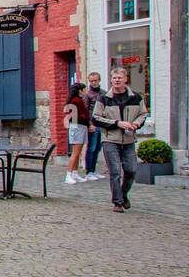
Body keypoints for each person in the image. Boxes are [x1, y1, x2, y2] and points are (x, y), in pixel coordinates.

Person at [91, 67, 149, 213]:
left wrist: (136, 124)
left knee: (131, 171)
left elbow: (143, 114)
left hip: (129, 140)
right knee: (115, 171)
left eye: (119, 78)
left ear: (125, 79)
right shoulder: (104, 98)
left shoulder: (135, 97)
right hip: (110, 140)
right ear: (111, 80)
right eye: (114, 78)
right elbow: (96, 118)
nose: (117, 80)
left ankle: (123, 194)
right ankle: (117, 202)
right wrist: (117, 123)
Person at [63, 83, 91, 184]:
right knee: (75, 153)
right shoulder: (75, 101)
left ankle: (75, 173)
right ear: (80, 90)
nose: (85, 91)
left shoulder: (78, 100)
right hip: (77, 127)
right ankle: (68, 174)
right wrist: (85, 118)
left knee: (77, 153)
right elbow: (74, 116)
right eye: (84, 89)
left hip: (80, 127)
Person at [84, 71, 105, 180]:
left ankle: (94, 170)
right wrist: (89, 124)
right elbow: (86, 111)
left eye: (95, 80)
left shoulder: (103, 93)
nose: (93, 83)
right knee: (91, 148)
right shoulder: (88, 95)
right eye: (91, 81)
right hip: (93, 124)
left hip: (102, 124)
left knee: (97, 148)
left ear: (99, 80)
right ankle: (89, 171)